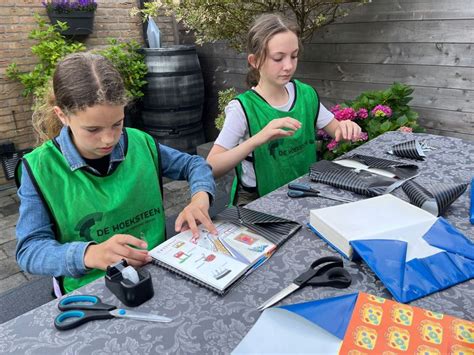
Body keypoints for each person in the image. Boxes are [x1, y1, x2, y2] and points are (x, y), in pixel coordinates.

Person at [15, 52, 217, 295]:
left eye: (117, 123)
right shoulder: (39, 168)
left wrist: (200, 198)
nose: (109, 139)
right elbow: (29, 249)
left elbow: (195, 165)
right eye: (92, 129)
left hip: (159, 270)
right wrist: (88, 253)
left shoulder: (142, 143)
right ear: (62, 115)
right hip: (91, 290)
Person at [207, 14, 362, 205]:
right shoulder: (242, 108)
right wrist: (258, 139)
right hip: (259, 201)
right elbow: (211, 167)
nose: (288, 66)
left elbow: (336, 130)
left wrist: (346, 127)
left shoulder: (306, 95)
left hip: (303, 192)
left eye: (294, 56)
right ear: (254, 61)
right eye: (278, 58)